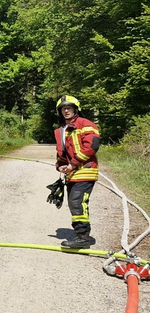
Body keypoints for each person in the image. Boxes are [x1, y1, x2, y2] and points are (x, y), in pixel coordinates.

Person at [54, 95, 100, 248]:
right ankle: (80, 236)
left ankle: (83, 238)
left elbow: (92, 146)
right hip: (72, 173)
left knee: (77, 202)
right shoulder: (61, 129)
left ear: (75, 109)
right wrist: (60, 165)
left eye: (69, 108)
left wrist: (73, 164)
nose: (66, 111)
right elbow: (62, 151)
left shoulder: (85, 124)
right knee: (74, 203)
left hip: (85, 171)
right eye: (63, 109)